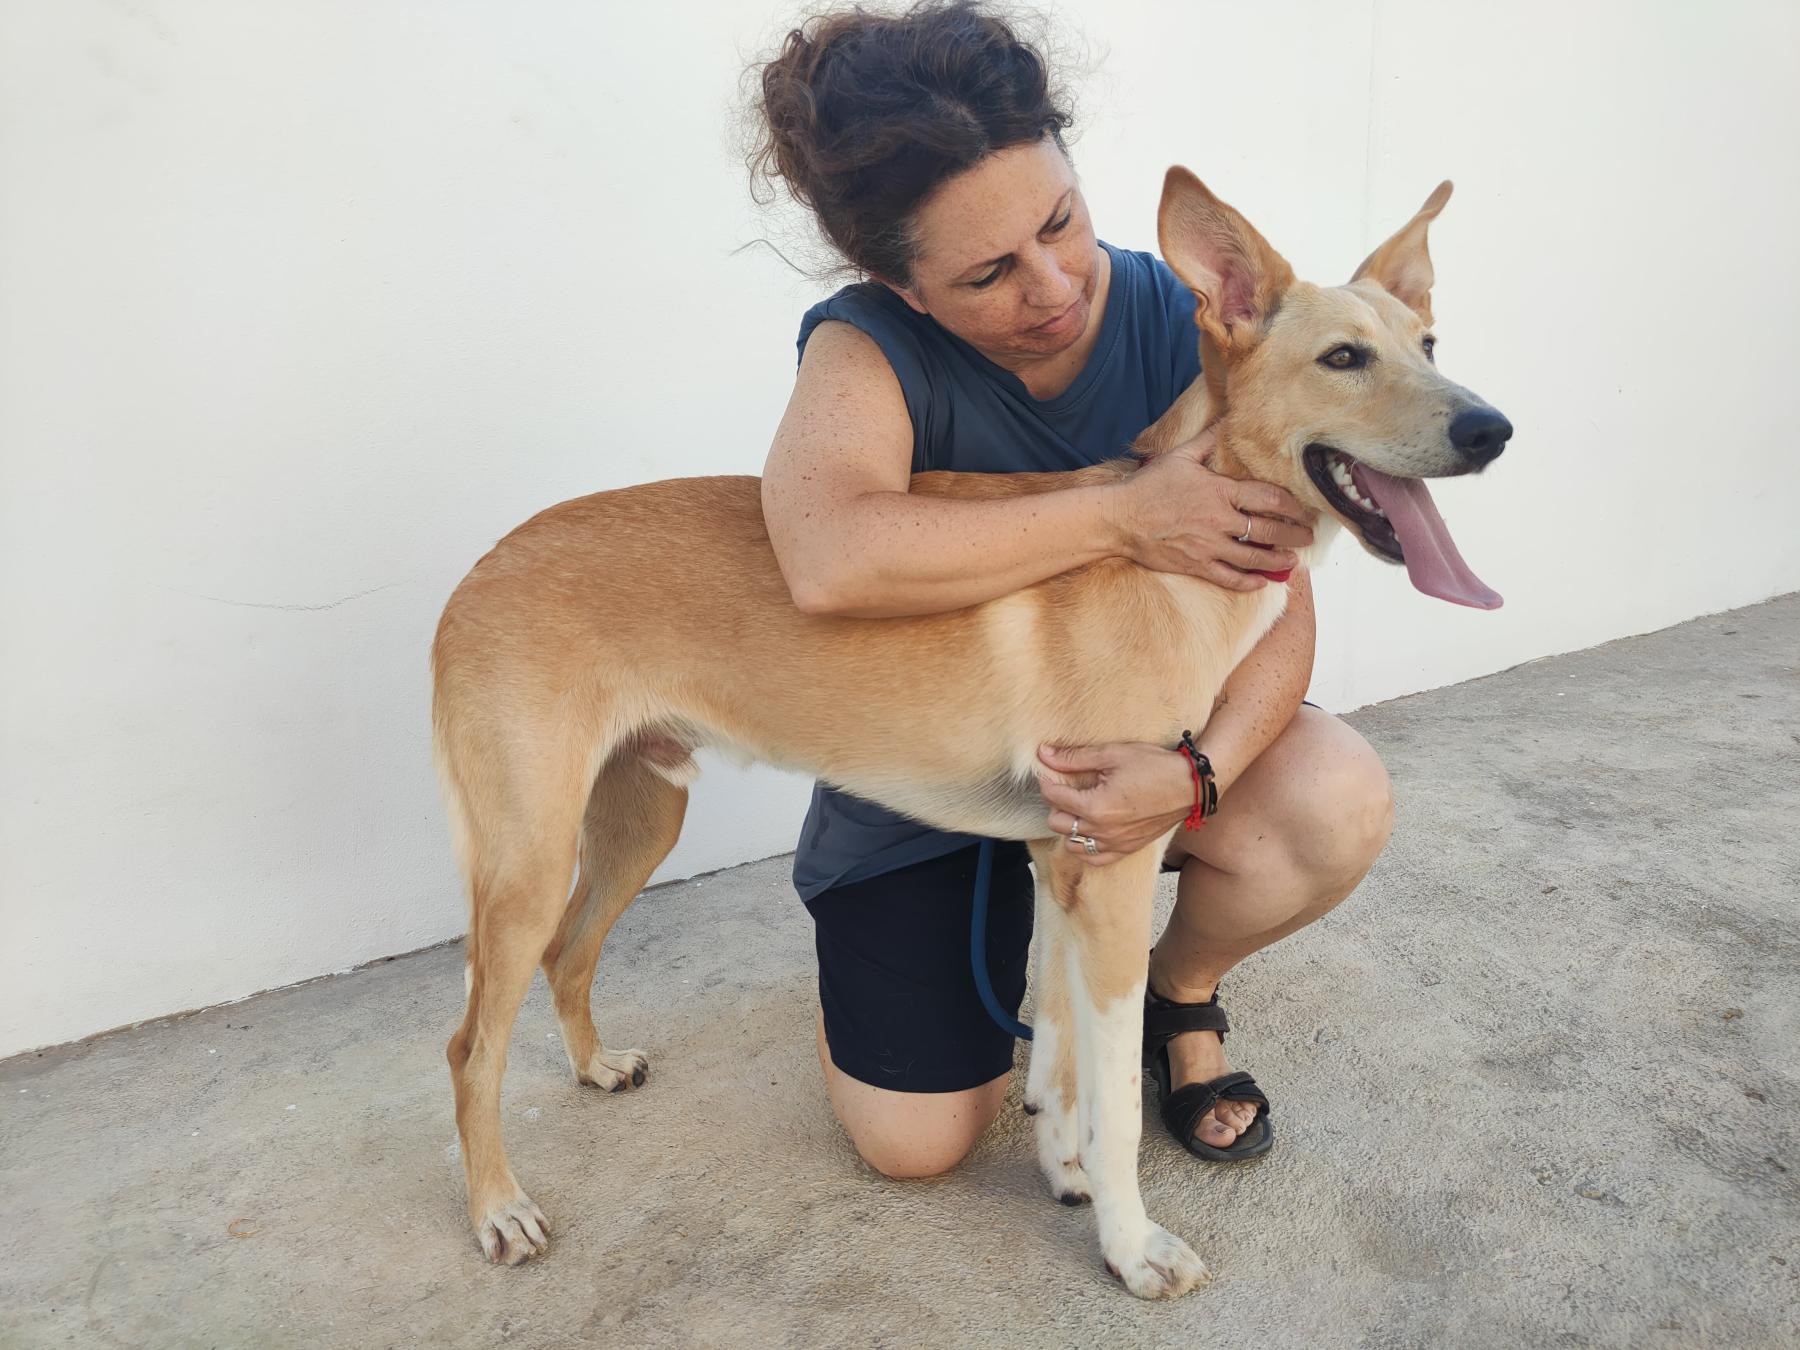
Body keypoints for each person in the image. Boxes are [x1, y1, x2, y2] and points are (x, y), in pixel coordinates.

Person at [748, 0, 1394, 1177]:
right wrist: (1122, 514)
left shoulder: (1190, 323)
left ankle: (1175, 991)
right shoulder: (864, 349)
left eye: (1061, 221)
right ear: (900, 284)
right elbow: (829, 558)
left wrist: (1193, 776)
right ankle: (958, 960)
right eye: (989, 271)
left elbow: (1280, 608)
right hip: (932, 784)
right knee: (916, 1147)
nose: (1052, 286)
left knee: (1333, 796)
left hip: (1139, 759)